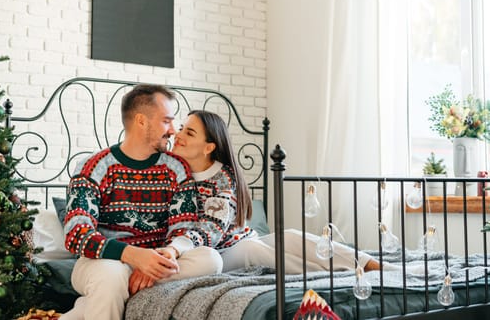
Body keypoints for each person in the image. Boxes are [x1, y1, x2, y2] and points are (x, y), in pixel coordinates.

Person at [60, 86, 222, 320]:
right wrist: (134, 256)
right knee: (110, 276)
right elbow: (76, 234)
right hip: (102, 261)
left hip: (155, 261)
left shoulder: (176, 168)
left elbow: (183, 228)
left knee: (210, 259)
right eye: (167, 121)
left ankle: (95, 303)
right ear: (141, 121)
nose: (173, 131)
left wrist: (156, 262)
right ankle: (110, 289)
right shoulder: (93, 167)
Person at [171, 110, 382, 273]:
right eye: (180, 128)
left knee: (288, 236)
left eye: (188, 132)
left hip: (238, 241)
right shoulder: (172, 172)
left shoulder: (224, 176)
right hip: (214, 254)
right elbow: (209, 231)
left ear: (209, 147)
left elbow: (214, 225)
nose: (178, 135)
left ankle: (373, 265)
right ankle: (331, 273)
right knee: (250, 250)